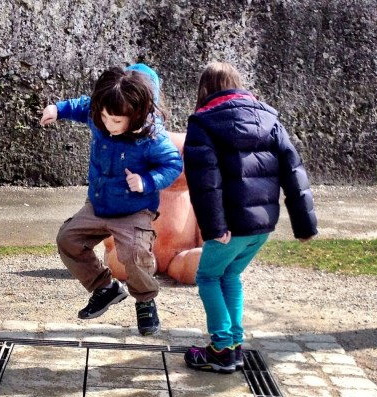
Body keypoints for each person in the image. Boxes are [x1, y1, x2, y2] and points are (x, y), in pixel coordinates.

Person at [182, 62, 318, 373]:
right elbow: (294, 173)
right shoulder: (269, 119)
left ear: (204, 90)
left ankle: (220, 347)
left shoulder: (203, 123)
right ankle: (234, 346)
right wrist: (305, 226)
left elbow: (205, 181)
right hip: (261, 226)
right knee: (230, 276)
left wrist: (215, 227)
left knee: (207, 277)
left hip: (228, 227)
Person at [40, 66, 182, 334]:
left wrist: (147, 181)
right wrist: (57, 109)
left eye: (116, 120)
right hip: (100, 204)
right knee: (68, 239)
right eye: (104, 117)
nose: (108, 124)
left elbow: (172, 164)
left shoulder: (152, 137)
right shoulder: (99, 113)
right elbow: (82, 105)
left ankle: (145, 301)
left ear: (137, 113)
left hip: (135, 209)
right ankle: (104, 288)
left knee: (135, 255)